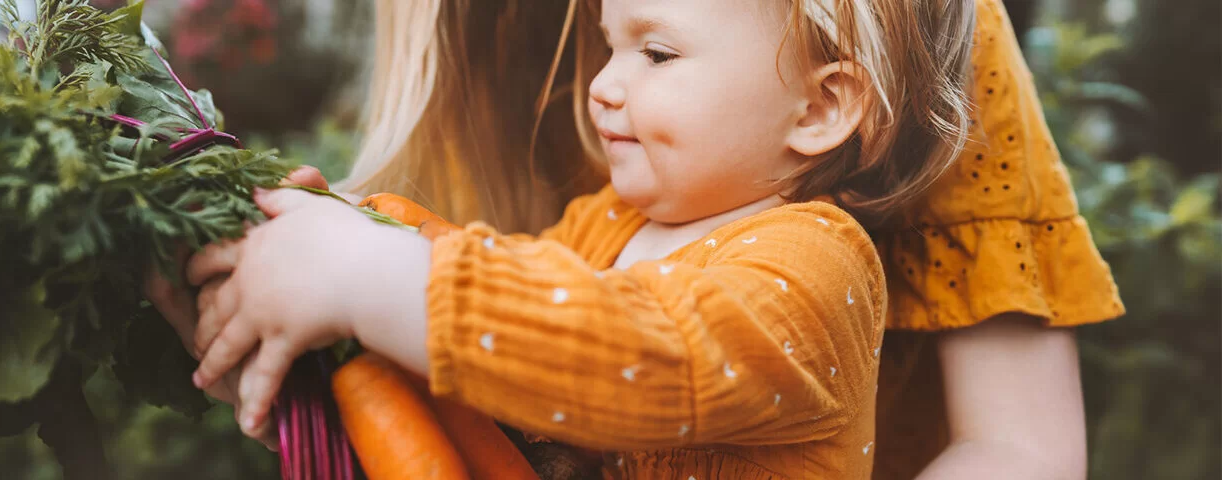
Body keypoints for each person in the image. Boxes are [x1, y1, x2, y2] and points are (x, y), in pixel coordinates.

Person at [149, 0, 1124, 478]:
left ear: (823, 107)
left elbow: (640, 356)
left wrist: (368, 276)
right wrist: (320, 244)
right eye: (609, 44)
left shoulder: (815, 268)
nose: (603, 85)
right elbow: (516, 296)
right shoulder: (619, 220)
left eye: (653, 54)